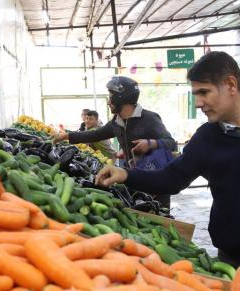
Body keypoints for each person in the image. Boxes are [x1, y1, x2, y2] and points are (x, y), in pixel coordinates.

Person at [94, 51, 240, 286]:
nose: (198, 103)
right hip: (230, 259)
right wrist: (126, 174)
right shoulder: (208, 137)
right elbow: (173, 178)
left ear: (230, 84)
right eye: (195, 94)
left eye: (203, 92)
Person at [54, 76, 177, 209]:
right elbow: (95, 134)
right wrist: (65, 136)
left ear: (121, 98)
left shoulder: (149, 118)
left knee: (161, 214)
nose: (108, 101)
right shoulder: (116, 123)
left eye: (111, 96)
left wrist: (150, 143)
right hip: (136, 178)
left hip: (158, 179)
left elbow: (171, 143)